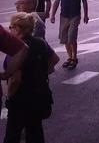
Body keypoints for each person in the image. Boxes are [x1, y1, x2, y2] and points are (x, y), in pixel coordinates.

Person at [3, 13, 58, 143]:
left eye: (11, 27)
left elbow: (16, 79)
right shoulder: (40, 42)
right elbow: (54, 60)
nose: (9, 30)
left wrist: (9, 96)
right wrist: (41, 74)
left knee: (12, 134)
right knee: (35, 132)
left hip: (21, 99)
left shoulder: (16, 48)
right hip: (40, 95)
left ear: (17, 28)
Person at [50, 0, 89, 70]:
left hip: (75, 15)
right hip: (64, 16)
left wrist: (86, 15)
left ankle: (74, 58)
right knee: (65, 38)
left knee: (71, 37)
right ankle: (69, 57)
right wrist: (52, 15)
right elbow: (57, 2)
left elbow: (84, 1)